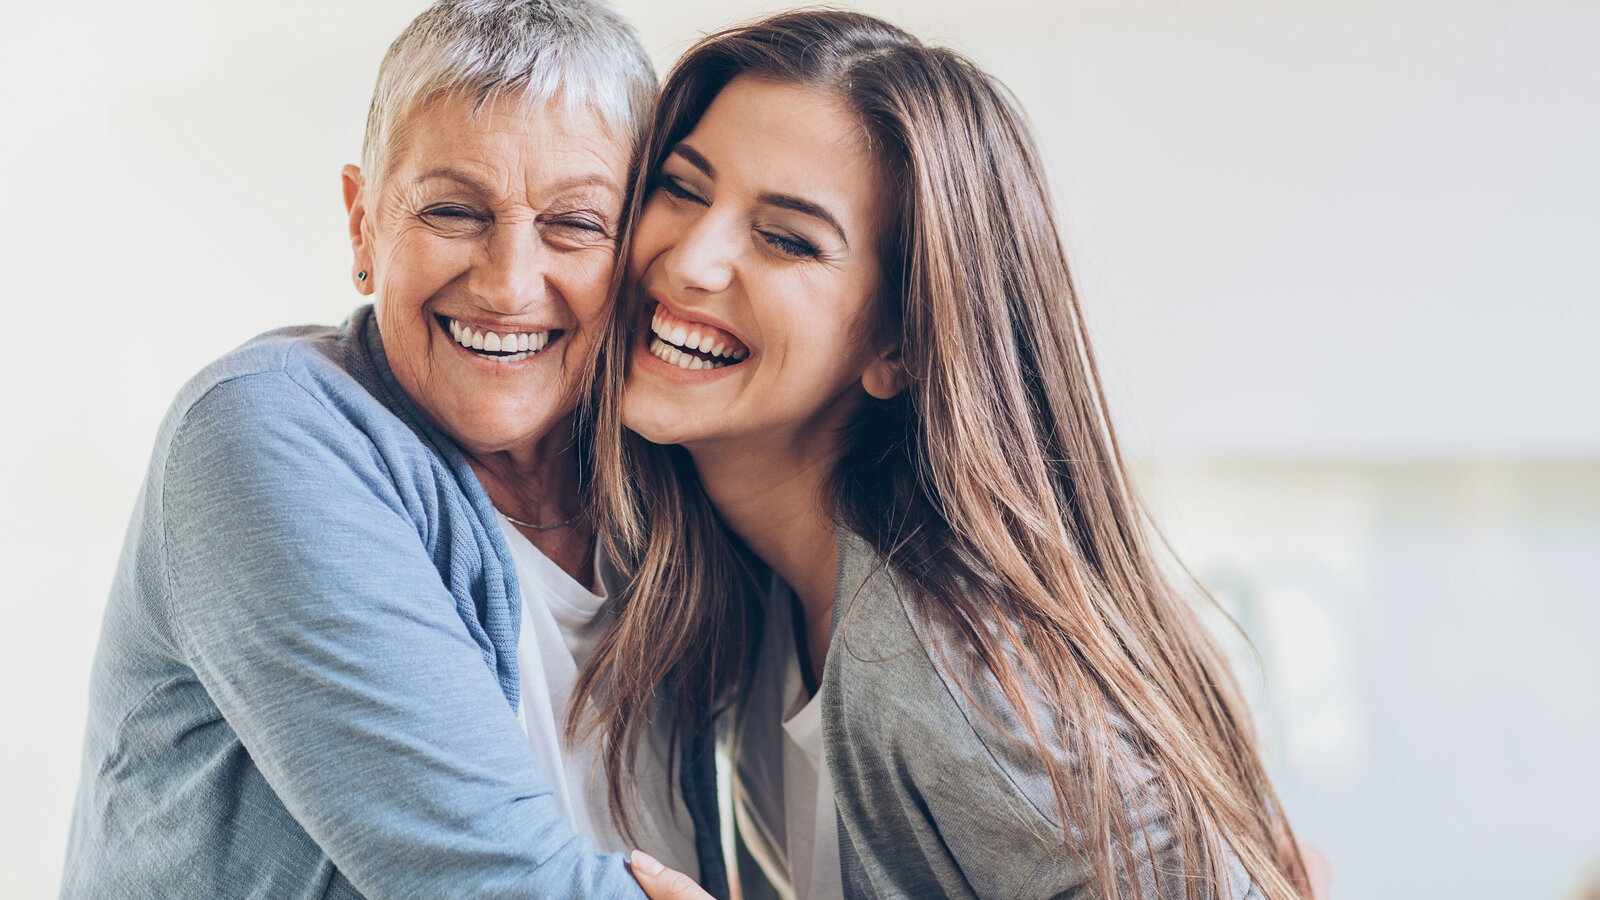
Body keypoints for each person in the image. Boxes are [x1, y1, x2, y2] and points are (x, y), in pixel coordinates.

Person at [586, 10, 1321, 900]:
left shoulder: (944, 657)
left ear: (898, 347)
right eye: (683, 187)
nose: (694, 259)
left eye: (787, 238)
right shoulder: (765, 604)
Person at [61, 1, 725, 897]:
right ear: (363, 224)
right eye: (453, 211)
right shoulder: (261, 431)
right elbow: (501, 886)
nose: (508, 284)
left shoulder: (666, 481)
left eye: (573, 224)